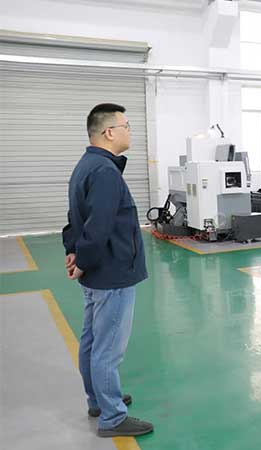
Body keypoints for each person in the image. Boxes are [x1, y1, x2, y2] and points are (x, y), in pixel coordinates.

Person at [62, 103, 154, 437]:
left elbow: (75, 218)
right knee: (107, 348)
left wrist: (74, 252)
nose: (130, 131)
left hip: (97, 273)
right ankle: (112, 417)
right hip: (111, 273)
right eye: (127, 126)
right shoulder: (104, 172)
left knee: (92, 340)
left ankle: (98, 400)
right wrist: (82, 260)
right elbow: (98, 227)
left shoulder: (87, 165)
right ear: (110, 132)